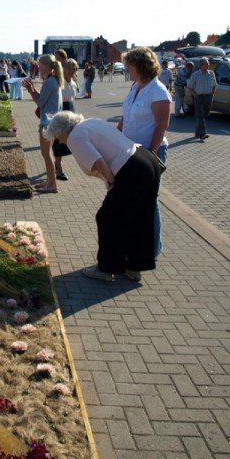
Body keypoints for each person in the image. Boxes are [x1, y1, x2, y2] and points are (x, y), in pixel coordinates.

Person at [44, 111, 162, 282]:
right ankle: (134, 267)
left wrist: (112, 183)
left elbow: (98, 162)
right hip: (147, 161)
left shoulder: (74, 137)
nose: (59, 141)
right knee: (140, 216)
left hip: (131, 169)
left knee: (107, 218)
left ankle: (106, 269)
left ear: (63, 130)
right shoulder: (90, 122)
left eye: (57, 136)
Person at [117, 46, 171, 256]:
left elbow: (161, 124)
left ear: (139, 66)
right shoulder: (135, 87)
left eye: (129, 65)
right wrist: (114, 139)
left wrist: (152, 152)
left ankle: (152, 249)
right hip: (130, 151)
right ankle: (135, 246)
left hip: (149, 152)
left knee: (149, 201)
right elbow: (125, 117)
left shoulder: (158, 91)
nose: (126, 69)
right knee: (133, 201)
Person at [22, 54, 63, 193]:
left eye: (39, 65)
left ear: (46, 66)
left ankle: (52, 185)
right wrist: (32, 89)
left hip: (47, 123)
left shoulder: (50, 82)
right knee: (48, 153)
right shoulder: (53, 80)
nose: (38, 67)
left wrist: (30, 90)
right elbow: (43, 99)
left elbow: (40, 102)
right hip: (51, 122)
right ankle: (49, 182)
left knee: (46, 154)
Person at [53, 58, 78, 181]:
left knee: (67, 141)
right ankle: (58, 168)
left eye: (74, 69)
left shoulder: (73, 82)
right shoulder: (59, 82)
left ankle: (57, 164)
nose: (72, 71)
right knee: (59, 141)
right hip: (61, 112)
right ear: (64, 69)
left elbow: (73, 99)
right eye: (69, 68)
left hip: (70, 112)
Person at [187, 57, 217, 141]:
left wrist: (212, 95)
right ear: (201, 65)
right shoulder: (196, 74)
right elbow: (190, 86)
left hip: (208, 97)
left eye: (208, 64)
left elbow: (215, 85)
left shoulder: (211, 73)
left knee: (204, 115)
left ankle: (197, 133)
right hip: (199, 97)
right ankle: (203, 134)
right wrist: (196, 96)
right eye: (206, 64)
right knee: (200, 115)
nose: (208, 65)